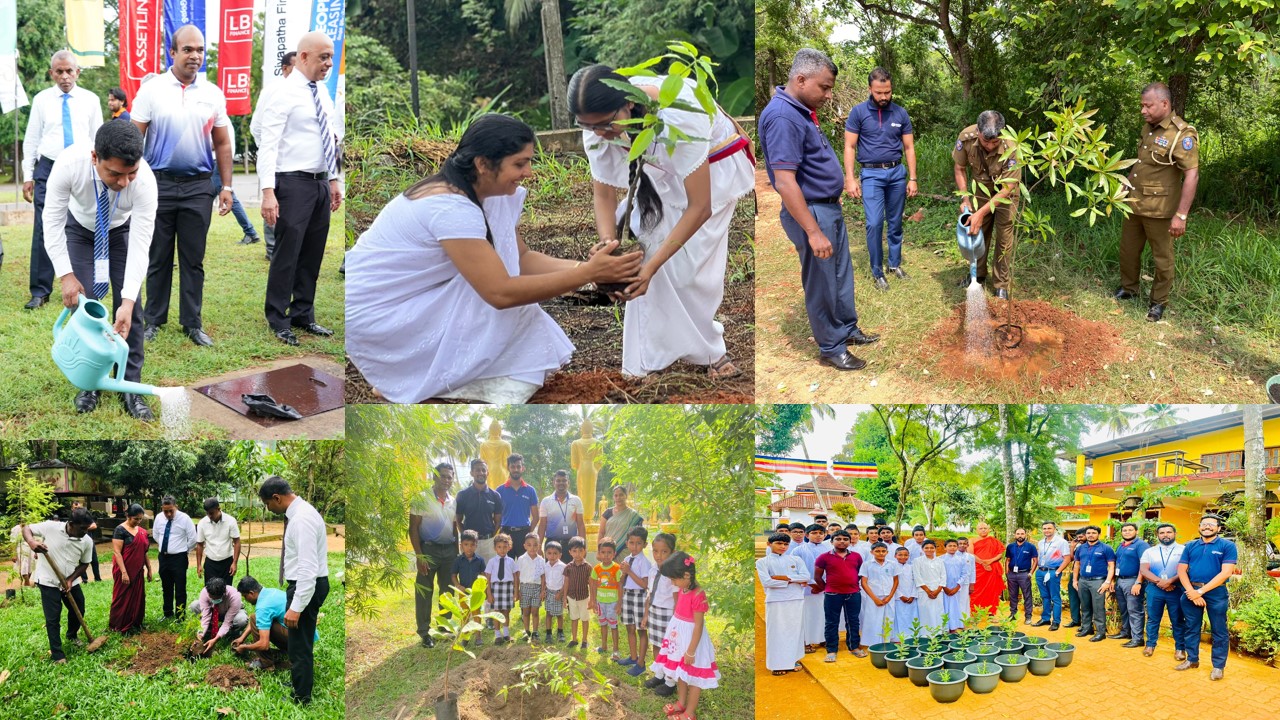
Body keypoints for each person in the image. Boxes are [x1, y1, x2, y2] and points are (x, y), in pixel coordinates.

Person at [345, 113, 642, 403]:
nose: (529, 173)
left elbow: (522, 259)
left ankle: (409, 379)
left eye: (529, 162)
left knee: (507, 290)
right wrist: (587, 274)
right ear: (483, 164)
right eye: (519, 163)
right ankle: (406, 378)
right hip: (379, 318)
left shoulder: (483, 194)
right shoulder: (451, 209)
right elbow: (500, 293)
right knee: (513, 306)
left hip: (412, 302)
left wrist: (595, 270)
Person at [569, 64, 754, 379]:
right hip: (655, 173)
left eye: (605, 124)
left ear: (628, 103)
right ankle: (648, 362)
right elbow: (604, 196)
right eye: (588, 126)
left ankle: (710, 351)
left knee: (694, 272)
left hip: (712, 170)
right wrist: (608, 249)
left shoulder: (680, 114)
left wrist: (652, 270)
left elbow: (699, 207)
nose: (599, 134)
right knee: (646, 253)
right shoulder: (598, 128)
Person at [759, 48, 880, 372]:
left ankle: (847, 328)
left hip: (826, 207)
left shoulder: (800, 109)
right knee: (821, 281)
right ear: (800, 79)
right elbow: (785, 182)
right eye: (824, 87)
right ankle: (831, 346)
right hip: (811, 213)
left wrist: (830, 191)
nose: (828, 95)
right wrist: (812, 230)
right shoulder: (783, 116)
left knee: (840, 275)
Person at [43, 120, 157, 420]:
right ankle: (89, 383)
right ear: (95, 157)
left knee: (130, 309)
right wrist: (66, 275)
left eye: (131, 173)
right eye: (115, 174)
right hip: (80, 230)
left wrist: (129, 301)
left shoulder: (144, 182)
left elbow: (141, 244)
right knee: (88, 306)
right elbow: (52, 223)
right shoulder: (69, 163)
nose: (124, 183)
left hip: (120, 232)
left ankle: (130, 386)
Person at [132, 24, 233, 347]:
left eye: (200, 50)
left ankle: (192, 323)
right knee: (158, 256)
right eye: (188, 49)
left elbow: (222, 144)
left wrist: (227, 187)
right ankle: (153, 320)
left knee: (193, 258)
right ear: (172, 53)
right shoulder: (152, 89)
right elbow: (135, 138)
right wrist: (132, 181)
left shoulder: (213, 93)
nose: (195, 55)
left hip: (198, 188)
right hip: (157, 185)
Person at [254, 31, 341, 346]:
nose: (329, 63)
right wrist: (267, 191)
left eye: (331, 57)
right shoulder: (283, 93)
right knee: (287, 254)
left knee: (312, 253)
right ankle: (278, 317)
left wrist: (333, 179)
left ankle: (304, 313)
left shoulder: (321, 93)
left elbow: (329, 140)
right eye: (323, 57)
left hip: (318, 183)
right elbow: (269, 144)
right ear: (303, 57)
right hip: (291, 182)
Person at [22, 50, 103, 310]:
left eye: (70, 71)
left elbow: (98, 137)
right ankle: (40, 290)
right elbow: (32, 140)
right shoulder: (41, 100)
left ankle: (81, 284)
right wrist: (28, 175)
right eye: (59, 71)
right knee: (45, 227)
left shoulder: (90, 100)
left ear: (78, 72)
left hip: (81, 168)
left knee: (81, 225)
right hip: (48, 167)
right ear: (52, 73)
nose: (65, 76)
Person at [1116, 82, 1200, 322]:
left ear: (1165, 104)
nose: (1143, 110)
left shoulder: (1181, 134)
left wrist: (1181, 215)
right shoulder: (1148, 128)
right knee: (1128, 251)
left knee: (1162, 259)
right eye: (1142, 105)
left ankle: (1158, 302)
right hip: (1134, 203)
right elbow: (1142, 163)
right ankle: (1129, 288)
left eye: (1148, 106)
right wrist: (1125, 185)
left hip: (1161, 210)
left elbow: (1192, 174)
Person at [844, 67, 918, 290]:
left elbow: (909, 147)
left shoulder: (900, 113)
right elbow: (849, 146)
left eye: (887, 92)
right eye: (879, 93)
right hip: (872, 174)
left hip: (896, 174)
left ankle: (894, 264)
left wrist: (912, 178)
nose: (884, 97)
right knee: (874, 223)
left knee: (895, 222)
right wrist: (850, 178)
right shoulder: (858, 113)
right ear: (870, 89)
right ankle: (877, 271)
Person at [259, 476, 330, 704]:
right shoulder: (301, 514)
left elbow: (308, 568)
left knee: (299, 645)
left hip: (305, 586)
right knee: (301, 641)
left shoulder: (301, 520)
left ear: (277, 498)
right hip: (305, 584)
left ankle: (302, 697)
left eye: (267, 504)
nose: (268, 509)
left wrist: (296, 606)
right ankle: (301, 680)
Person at [952, 110, 1021, 299]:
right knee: (978, 232)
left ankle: (1001, 285)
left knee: (1004, 238)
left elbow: (1008, 187)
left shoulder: (1011, 145)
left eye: (995, 142)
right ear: (978, 132)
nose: (990, 146)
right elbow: (959, 168)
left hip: (1006, 195)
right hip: (980, 191)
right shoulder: (966, 138)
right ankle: (978, 276)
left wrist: (981, 212)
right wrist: (965, 198)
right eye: (985, 141)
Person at [650, 552, 716, 720]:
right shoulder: (683, 589)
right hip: (678, 638)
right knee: (680, 672)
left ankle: (690, 712)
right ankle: (681, 702)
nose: (673, 582)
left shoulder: (698, 594)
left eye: (674, 579)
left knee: (693, 677)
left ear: (686, 575)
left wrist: (691, 651)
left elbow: (698, 625)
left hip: (692, 642)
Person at [23, 510, 94, 663]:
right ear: (71, 524)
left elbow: (85, 563)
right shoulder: (51, 527)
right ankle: (58, 654)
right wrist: (31, 542)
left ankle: (72, 635)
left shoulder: (87, 541)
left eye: (87, 528)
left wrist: (70, 579)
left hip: (71, 580)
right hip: (48, 581)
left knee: (79, 609)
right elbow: (26, 528)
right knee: (53, 617)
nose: (85, 532)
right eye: (82, 528)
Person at [1176, 514, 1237, 680]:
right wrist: (1191, 591)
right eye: (1204, 524)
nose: (1207, 526)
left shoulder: (1227, 545)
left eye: (1211, 524)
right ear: (1199, 527)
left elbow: (1226, 573)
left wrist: (1201, 592)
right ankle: (1192, 660)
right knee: (1191, 627)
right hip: (1191, 590)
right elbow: (1181, 570)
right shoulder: (1190, 545)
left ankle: (1218, 666)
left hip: (1216, 593)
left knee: (1219, 630)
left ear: (1218, 528)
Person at [250, 50, 296, 258]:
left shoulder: (306, 90)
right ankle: (271, 248)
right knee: (272, 203)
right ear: (285, 68)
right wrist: (269, 147)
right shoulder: (274, 90)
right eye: (296, 68)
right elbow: (256, 127)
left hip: (296, 165)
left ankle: (287, 246)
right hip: (275, 161)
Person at [409, 463, 457, 648]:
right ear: (435, 477)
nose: (446, 480)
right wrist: (420, 556)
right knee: (424, 592)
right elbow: (413, 528)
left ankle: (444, 628)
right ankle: (425, 632)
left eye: (449, 477)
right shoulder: (421, 498)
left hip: (449, 552)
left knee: (448, 591)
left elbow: (455, 529)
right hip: (428, 551)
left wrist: (457, 553)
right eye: (443, 476)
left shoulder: (453, 501)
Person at [234, 575, 319, 670]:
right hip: (306, 637)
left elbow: (264, 644)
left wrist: (244, 647)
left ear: (251, 593)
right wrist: (241, 638)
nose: (245, 600)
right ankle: (288, 650)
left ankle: (265, 661)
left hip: (299, 641)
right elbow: (257, 619)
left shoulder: (263, 607)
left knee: (256, 619)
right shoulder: (270, 592)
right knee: (255, 617)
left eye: (245, 596)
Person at [758, 532, 811, 672]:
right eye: (779, 543)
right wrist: (795, 579)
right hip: (775, 600)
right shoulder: (762, 562)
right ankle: (777, 665)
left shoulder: (796, 559)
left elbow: (806, 576)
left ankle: (792, 660)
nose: (783, 546)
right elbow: (767, 581)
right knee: (777, 631)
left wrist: (783, 578)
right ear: (769, 544)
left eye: (786, 544)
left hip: (796, 599)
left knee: (795, 631)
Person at [1140, 522, 1187, 660]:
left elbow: (1186, 569)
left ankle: (1180, 648)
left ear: (1175, 534)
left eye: (1168, 532)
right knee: (1153, 619)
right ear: (1157, 535)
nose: (1165, 535)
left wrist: (1170, 581)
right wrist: (1161, 582)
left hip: (1176, 589)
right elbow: (1143, 570)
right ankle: (1150, 645)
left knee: (1178, 620)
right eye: (1162, 533)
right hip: (1155, 590)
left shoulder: (1184, 550)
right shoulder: (1149, 551)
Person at [210, 122, 261, 247]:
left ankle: (251, 232)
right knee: (203, 199)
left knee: (229, 198)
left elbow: (214, 144)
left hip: (217, 163)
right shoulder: (223, 120)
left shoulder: (219, 121)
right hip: (217, 163)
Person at [641, 532, 678, 696]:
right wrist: (646, 615)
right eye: (655, 551)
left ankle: (670, 682)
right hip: (654, 611)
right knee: (656, 645)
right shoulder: (653, 569)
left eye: (664, 552)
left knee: (670, 648)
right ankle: (660, 674)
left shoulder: (674, 572)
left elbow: (678, 599)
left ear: (672, 552)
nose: (658, 555)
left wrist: (677, 621)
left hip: (669, 614)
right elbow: (649, 593)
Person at [109, 504, 151, 634]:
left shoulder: (142, 532)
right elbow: (117, 553)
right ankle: (118, 625)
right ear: (128, 516)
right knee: (121, 597)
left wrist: (149, 568)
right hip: (124, 570)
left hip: (138, 571)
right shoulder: (120, 530)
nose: (138, 522)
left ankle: (135, 622)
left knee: (138, 597)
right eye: (135, 519)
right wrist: (124, 573)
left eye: (140, 519)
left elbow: (144, 552)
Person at [152, 496, 196, 620]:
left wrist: (183, 550)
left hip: (179, 558)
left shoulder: (185, 519)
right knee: (166, 587)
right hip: (164, 558)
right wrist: (166, 547)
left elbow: (193, 538)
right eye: (165, 511)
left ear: (176, 506)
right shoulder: (159, 518)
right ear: (162, 508)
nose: (168, 514)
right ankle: (167, 613)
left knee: (180, 587)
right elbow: (156, 534)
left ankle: (180, 616)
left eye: (171, 510)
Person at [617, 526, 653, 674]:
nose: (635, 546)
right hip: (628, 595)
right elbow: (623, 580)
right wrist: (623, 575)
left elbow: (645, 584)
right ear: (627, 543)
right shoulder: (627, 559)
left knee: (641, 630)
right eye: (632, 542)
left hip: (639, 597)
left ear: (645, 544)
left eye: (639, 543)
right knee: (629, 627)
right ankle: (633, 657)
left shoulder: (644, 562)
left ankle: (640, 663)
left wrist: (629, 571)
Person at [1072, 524, 1116, 642]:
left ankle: (1101, 632)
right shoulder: (1080, 548)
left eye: (1093, 533)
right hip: (1083, 581)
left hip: (1098, 581)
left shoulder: (1106, 548)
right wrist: (1075, 580)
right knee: (1085, 606)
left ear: (1098, 534)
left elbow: (1112, 566)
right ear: (1085, 535)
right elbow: (1076, 565)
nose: (1090, 535)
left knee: (1098, 608)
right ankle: (1087, 628)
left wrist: (1107, 582)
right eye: (1088, 533)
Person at [454, 459, 504, 561]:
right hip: (469, 543)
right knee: (469, 575)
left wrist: (491, 536)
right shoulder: (463, 495)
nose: (481, 473)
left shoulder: (495, 495)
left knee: (489, 575)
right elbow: (458, 520)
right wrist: (466, 537)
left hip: (488, 543)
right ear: (472, 473)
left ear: (487, 473)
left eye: (483, 470)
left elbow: (498, 521)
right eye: (477, 470)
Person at [189, 577, 248, 657]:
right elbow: (205, 616)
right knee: (194, 605)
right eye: (211, 597)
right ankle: (208, 630)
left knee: (241, 619)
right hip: (214, 612)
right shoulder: (205, 592)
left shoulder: (234, 596)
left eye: (215, 598)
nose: (213, 600)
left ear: (223, 593)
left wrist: (216, 639)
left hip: (230, 613)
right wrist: (200, 633)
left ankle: (233, 634)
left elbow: (227, 622)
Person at [1112, 521, 1150, 646]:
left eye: (1130, 530)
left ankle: (1138, 638)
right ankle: (1125, 632)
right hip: (1120, 580)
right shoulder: (1121, 545)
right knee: (1124, 609)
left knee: (1135, 610)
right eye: (1124, 530)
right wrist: (1113, 581)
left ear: (1136, 531)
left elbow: (1144, 565)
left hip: (1133, 580)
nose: (1127, 532)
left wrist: (1138, 582)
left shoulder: (1141, 545)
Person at [794, 524, 830, 653]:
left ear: (825, 535)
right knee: (806, 616)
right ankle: (805, 641)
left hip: (826, 588)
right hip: (806, 589)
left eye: (821, 533)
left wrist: (823, 585)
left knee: (824, 614)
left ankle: (823, 638)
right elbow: (795, 571)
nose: (818, 535)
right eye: (814, 532)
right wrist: (812, 584)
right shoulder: (798, 550)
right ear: (807, 535)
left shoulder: (830, 550)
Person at [449, 529, 488, 648]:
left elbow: (484, 575)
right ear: (461, 546)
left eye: (472, 545)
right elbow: (453, 575)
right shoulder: (458, 561)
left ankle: (478, 636)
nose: (469, 548)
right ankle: (465, 637)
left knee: (476, 614)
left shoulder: (480, 560)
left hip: (475, 593)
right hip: (464, 592)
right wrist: (457, 585)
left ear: (476, 545)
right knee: (465, 614)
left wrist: (483, 589)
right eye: (466, 545)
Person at [496, 454, 539, 559]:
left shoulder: (530, 490)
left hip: (524, 534)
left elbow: (536, 516)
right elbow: (496, 515)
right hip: (506, 533)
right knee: (506, 568)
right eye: (513, 466)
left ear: (522, 468)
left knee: (524, 569)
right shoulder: (500, 490)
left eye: (518, 466)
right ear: (508, 468)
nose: (516, 469)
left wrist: (529, 533)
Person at [859, 541, 899, 648]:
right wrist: (875, 598)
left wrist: (890, 596)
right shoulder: (867, 564)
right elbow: (864, 582)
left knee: (888, 618)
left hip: (888, 596)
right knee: (873, 619)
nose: (881, 553)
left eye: (883, 551)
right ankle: (873, 643)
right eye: (877, 551)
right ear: (872, 552)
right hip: (873, 597)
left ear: (887, 552)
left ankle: (886, 641)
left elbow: (895, 581)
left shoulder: (892, 564)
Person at [195, 498, 240, 587]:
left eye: (211, 513)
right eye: (207, 513)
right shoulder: (202, 523)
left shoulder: (230, 521)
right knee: (211, 591)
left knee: (226, 590)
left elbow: (237, 542)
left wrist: (234, 563)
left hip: (227, 563)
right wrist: (199, 564)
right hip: (210, 563)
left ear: (218, 509)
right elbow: (200, 544)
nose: (209, 516)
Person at [1033, 521, 1069, 630]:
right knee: (1045, 596)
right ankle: (1045, 618)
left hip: (1053, 572)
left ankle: (1056, 621)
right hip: (1041, 571)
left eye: (1049, 528)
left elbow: (1067, 559)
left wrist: (1057, 572)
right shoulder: (1040, 542)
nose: (1046, 530)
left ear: (1054, 529)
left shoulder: (1061, 542)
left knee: (1055, 597)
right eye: (1044, 528)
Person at [537, 470, 585, 553]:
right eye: (558, 481)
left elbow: (580, 524)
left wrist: (584, 547)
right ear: (554, 483)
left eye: (564, 480)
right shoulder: (546, 501)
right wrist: (539, 547)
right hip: (552, 545)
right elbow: (542, 525)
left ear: (568, 482)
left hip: (572, 545)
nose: (561, 483)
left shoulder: (576, 500)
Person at [592, 536, 624, 658]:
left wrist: (619, 604)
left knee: (613, 626)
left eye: (609, 552)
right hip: (601, 602)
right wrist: (594, 601)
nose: (606, 555)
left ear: (614, 553)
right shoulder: (597, 568)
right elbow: (594, 585)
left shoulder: (617, 569)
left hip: (613, 603)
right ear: (599, 553)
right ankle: (603, 646)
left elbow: (620, 586)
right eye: (603, 552)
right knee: (603, 624)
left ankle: (615, 650)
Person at [484, 533, 516, 644]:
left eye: (505, 547)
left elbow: (515, 577)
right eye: (499, 547)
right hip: (496, 588)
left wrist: (515, 592)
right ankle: (498, 635)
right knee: (497, 613)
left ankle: (506, 634)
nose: (502, 550)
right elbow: (487, 578)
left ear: (509, 547)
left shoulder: (511, 561)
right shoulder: (492, 562)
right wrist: (489, 593)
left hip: (508, 587)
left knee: (506, 612)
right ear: (495, 548)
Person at [514, 533, 546, 642]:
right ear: (524, 546)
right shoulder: (521, 559)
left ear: (539, 546)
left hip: (536, 588)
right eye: (529, 545)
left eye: (535, 545)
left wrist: (542, 591)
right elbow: (517, 576)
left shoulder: (541, 560)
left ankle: (535, 632)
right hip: (524, 588)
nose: (532, 547)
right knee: (526, 612)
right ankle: (526, 631)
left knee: (535, 611)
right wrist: (517, 591)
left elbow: (543, 577)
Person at [563, 536, 593, 650]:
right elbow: (566, 583)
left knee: (585, 618)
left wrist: (592, 599)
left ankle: (585, 640)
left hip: (583, 597)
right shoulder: (568, 567)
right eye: (574, 551)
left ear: (585, 551)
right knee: (574, 618)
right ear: (570, 552)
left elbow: (591, 584)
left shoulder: (588, 567)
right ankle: (574, 639)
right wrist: (564, 598)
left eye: (581, 550)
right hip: (571, 597)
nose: (578, 554)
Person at [970, 521, 1006, 614]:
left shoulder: (994, 541)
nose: (983, 530)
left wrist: (990, 561)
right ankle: (975, 612)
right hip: (978, 570)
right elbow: (970, 554)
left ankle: (992, 612)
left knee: (992, 592)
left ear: (988, 530)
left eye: (985, 528)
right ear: (977, 530)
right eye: (981, 528)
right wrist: (983, 563)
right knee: (976, 591)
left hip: (992, 569)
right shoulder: (971, 540)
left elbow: (1000, 554)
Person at [912, 539, 946, 635]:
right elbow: (917, 576)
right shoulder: (917, 561)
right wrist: (927, 591)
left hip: (938, 591)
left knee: (938, 612)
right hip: (923, 591)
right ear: (922, 549)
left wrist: (938, 590)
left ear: (935, 549)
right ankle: (926, 634)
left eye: (932, 548)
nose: (929, 550)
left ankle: (939, 633)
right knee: (925, 612)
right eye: (926, 548)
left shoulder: (940, 561)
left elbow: (943, 576)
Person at [1004, 527, 1038, 622]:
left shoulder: (1031, 547)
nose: (1020, 536)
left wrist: (1031, 573)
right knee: (1012, 595)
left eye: (1022, 534)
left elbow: (1035, 561)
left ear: (1025, 535)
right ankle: (1013, 614)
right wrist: (1007, 573)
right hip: (1012, 574)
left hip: (1024, 574)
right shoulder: (1010, 546)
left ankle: (1028, 617)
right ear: (1015, 535)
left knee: (1027, 596)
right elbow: (1007, 560)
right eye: (1018, 534)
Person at [941, 538, 974, 631]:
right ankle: (946, 627)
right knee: (945, 607)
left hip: (957, 588)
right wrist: (944, 587)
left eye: (954, 546)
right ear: (945, 548)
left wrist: (958, 586)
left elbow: (965, 574)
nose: (952, 548)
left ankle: (955, 626)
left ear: (957, 547)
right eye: (950, 546)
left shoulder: (962, 560)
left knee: (956, 607)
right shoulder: (940, 559)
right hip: (944, 588)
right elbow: (940, 574)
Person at [68, 501, 101, 582]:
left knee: (94, 560)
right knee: (81, 561)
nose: (77, 510)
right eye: (75, 508)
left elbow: (94, 525)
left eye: (79, 508)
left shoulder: (86, 516)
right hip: (77, 542)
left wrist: (82, 528)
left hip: (89, 541)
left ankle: (97, 578)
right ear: (72, 508)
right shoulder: (71, 518)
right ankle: (84, 580)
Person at [542, 540, 567, 643]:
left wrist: (560, 594)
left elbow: (565, 582)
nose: (552, 556)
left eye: (555, 553)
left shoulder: (563, 567)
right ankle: (548, 634)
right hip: (549, 592)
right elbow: (544, 579)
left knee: (559, 614)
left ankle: (560, 632)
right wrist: (543, 590)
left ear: (560, 555)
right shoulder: (545, 566)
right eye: (549, 553)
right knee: (549, 614)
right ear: (545, 554)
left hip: (558, 593)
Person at [891, 546, 917, 640]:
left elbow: (916, 582)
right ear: (895, 556)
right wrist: (900, 595)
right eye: (900, 555)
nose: (903, 557)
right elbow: (892, 583)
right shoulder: (892, 567)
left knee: (912, 616)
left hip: (911, 597)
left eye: (906, 555)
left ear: (909, 556)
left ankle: (912, 636)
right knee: (899, 617)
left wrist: (913, 595)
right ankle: (899, 638)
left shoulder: (912, 567)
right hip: (898, 598)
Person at [1064, 530, 1082, 627]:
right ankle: (1075, 620)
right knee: (1073, 597)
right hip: (1074, 574)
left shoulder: (1091, 547)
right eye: (1078, 537)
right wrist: (1072, 547)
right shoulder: (1078, 547)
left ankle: (1087, 623)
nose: (1079, 539)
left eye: (1081, 536)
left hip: (1085, 576)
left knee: (1085, 599)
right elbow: (1071, 559)